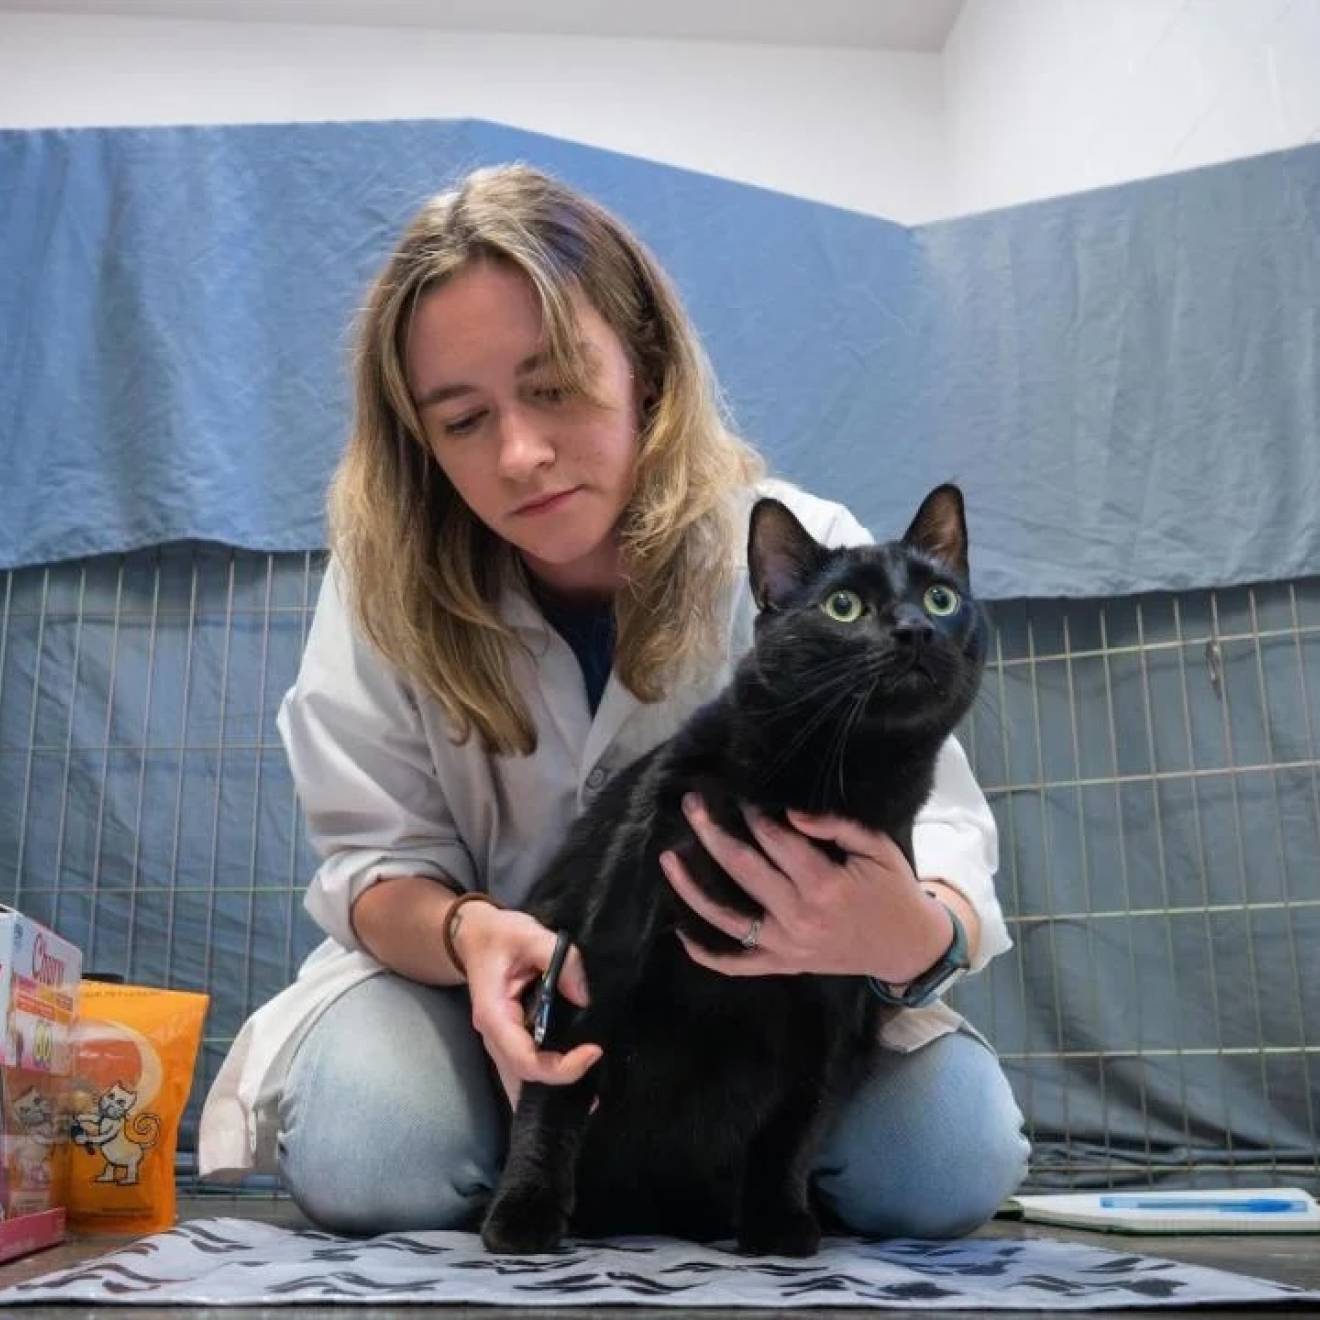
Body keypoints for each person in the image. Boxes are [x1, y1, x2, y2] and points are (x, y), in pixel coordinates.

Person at [198, 163, 1029, 1238]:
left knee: (944, 1167)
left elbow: (948, 836)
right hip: (481, 998)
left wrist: (910, 933)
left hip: (774, 1013)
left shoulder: (796, 548)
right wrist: (467, 936)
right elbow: (372, 866)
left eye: (553, 387)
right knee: (373, 1152)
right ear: (418, 439)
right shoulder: (380, 589)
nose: (520, 455)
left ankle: (664, 1163)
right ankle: (554, 1154)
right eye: (461, 421)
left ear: (645, 365)